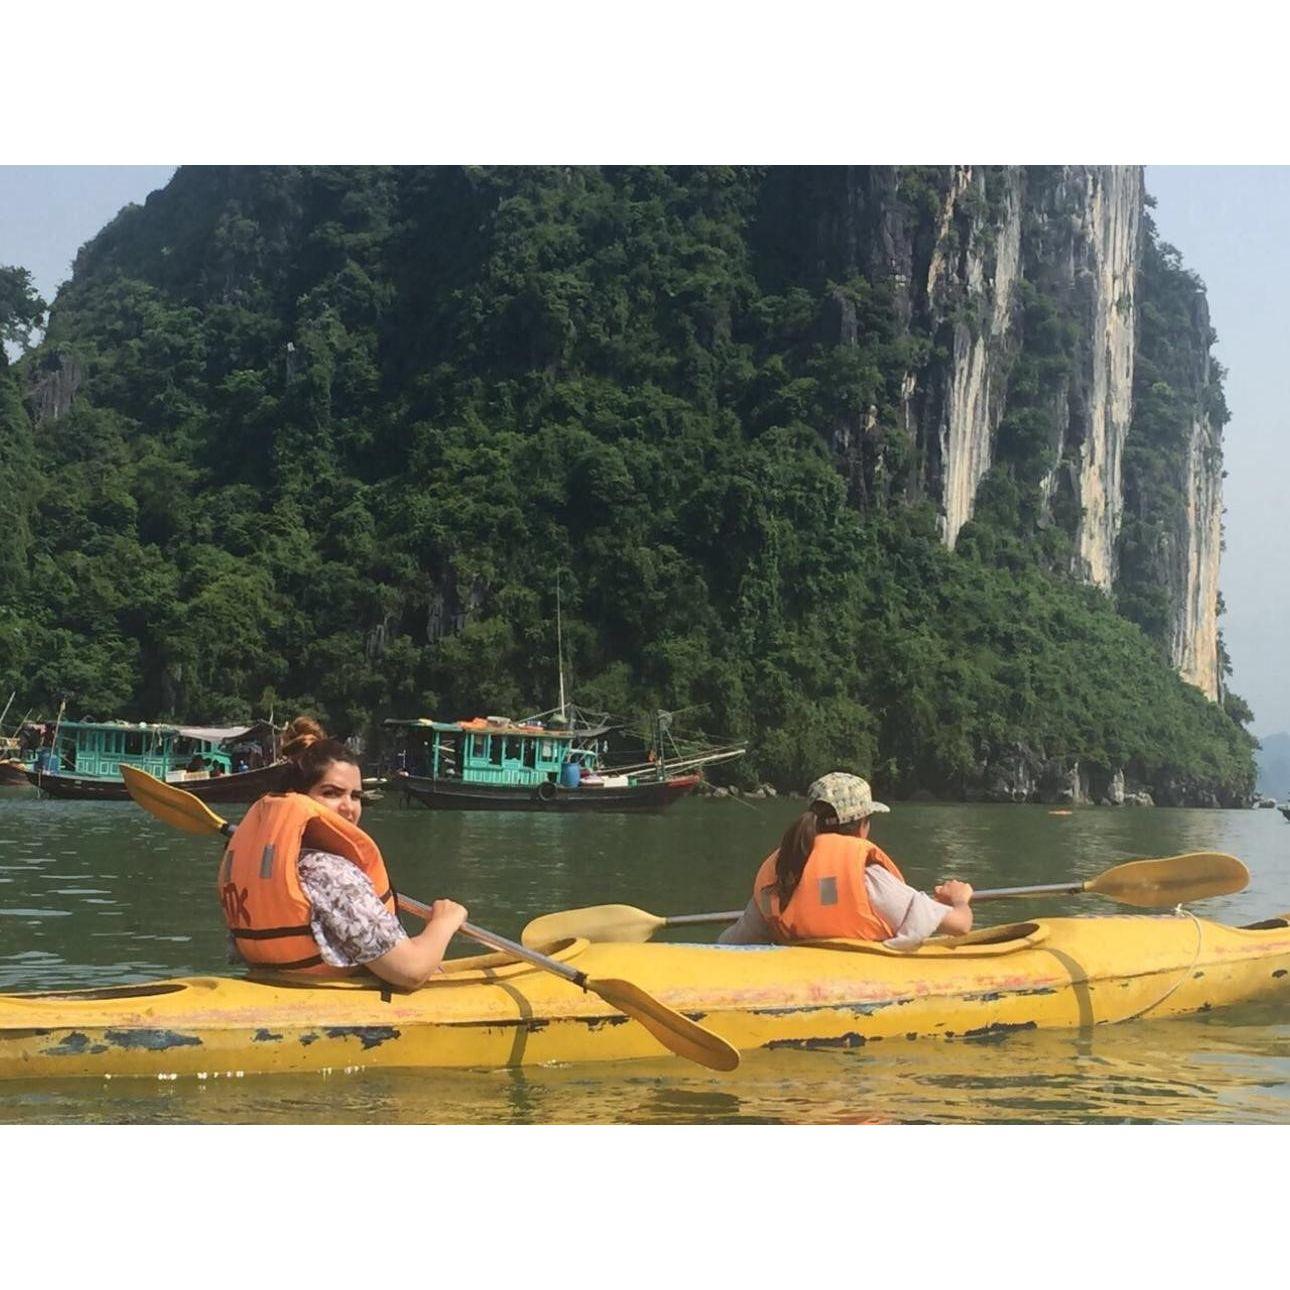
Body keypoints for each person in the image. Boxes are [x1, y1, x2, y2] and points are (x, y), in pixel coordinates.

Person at [220, 716, 468, 989]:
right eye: (331, 793)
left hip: (276, 986)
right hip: (322, 997)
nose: (349, 807)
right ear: (296, 797)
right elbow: (410, 971)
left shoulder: (260, 864)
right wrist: (445, 921)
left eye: (356, 796)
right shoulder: (331, 872)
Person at [719, 771, 974, 949]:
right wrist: (959, 900)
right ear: (862, 826)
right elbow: (961, 926)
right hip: (859, 981)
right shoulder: (870, 878)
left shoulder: (783, 870)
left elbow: (730, 944)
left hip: (804, 977)